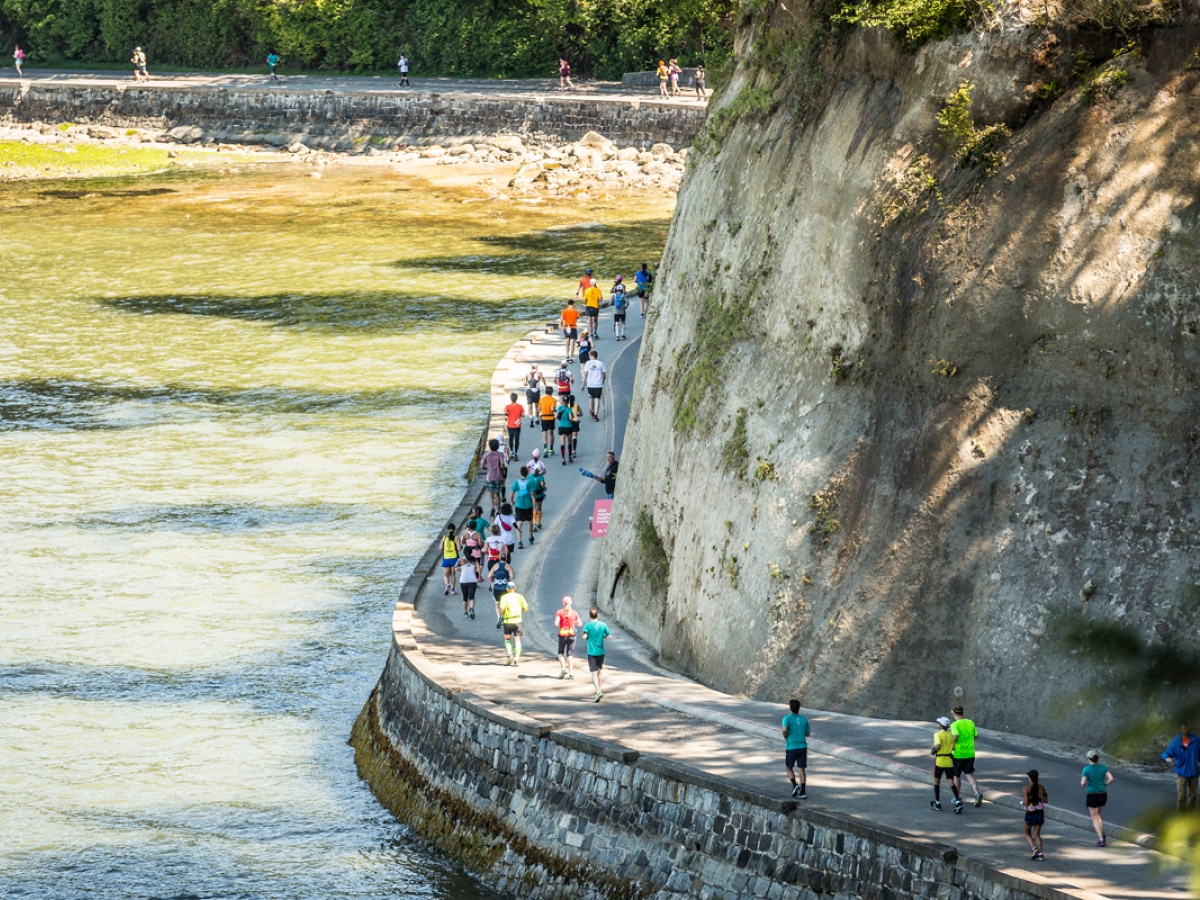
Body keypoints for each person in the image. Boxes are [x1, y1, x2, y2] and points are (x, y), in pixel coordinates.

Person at [950, 706, 984, 807]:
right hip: (970, 753)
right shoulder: (970, 722)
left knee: (956, 775)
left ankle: (957, 796)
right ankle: (976, 792)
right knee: (969, 774)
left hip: (958, 754)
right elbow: (976, 736)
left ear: (955, 714)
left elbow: (955, 736)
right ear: (962, 713)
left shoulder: (954, 724)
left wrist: (950, 745)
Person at [1162, 723, 1199, 812]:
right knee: (1181, 797)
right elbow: (1166, 753)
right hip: (1182, 773)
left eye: (1187, 728)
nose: (1186, 730)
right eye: (1184, 729)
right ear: (1180, 730)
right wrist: (1167, 758)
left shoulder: (1196, 740)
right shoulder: (1176, 742)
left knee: (1193, 796)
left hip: (1194, 772)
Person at [1081, 750, 1113, 847]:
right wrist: (1105, 784)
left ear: (1089, 758)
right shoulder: (1104, 767)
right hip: (1103, 793)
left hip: (1092, 794)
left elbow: (1082, 783)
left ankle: (1101, 838)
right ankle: (1101, 834)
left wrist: (1084, 784)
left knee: (1095, 817)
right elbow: (1111, 778)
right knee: (1097, 815)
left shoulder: (1086, 769)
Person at [930, 716, 962, 813]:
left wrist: (933, 750)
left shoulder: (937, 734)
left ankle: (938, 803)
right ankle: (957, 801)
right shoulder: (951, 735)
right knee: (951, 781)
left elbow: (938, 745)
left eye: (939, 723)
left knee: (937, 781)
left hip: (940, 761)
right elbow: (953, 748)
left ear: (941, 725)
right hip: (949, 761)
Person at [580, 607, 611, 702]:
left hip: (592, 652)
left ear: (590, 616)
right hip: (601, 652)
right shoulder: (603, 625)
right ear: (598, 615)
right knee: (600, 671)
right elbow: (609, 636)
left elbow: (584, 636)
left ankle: (597, 691)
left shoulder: (587, 626)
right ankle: (600, 689)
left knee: (593, 673)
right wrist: (603, 637)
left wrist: (587, 636)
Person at [781, 699, 811, 798]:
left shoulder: (787, 718)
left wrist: (786, 736)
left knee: (788, 767)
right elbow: (808, 734)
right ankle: (803, 791)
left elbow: (784, 729)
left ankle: (794, 784)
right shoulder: (804, 719)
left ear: (790, 708)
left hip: (791, 746)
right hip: (802, 746)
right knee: (801, 769)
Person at [497, 583, 528, 666]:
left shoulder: (504, 597)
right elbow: (525, 608)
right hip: (518, 620)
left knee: (507, 639)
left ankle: (510, 654)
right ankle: (517, 658)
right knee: (517, 639)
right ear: (515, 588)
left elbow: (502, 609)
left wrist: (501, 612)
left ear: (507, 589)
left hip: (508, 621)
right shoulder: (520, 596)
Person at [1022, 770, 1047, 861]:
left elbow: (1025, 802)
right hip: (1040, 813)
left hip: (1030, 813)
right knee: (1037, 834)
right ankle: (1040, 854)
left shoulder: (1026, 788)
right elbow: (1045, 799)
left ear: (1030, 778)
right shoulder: (1041, 788)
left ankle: (1034, 848)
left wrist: (1021, 803)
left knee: (1027, 832)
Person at [555, 595, 582, 679]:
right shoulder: (574, 613)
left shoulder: (559, 612)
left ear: (563, 603)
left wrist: (560, 624)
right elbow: (580, 624)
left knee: (560, 653)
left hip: (563, 635)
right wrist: (575, 622)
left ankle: (563, 668)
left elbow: (556, 623)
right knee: (569, 654)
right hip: (572, 635)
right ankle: (571, 673)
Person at [480, 438, 506, 518]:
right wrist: (503, 470)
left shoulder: (486, 455)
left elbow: (482, 466)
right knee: (497, 494)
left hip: (490, 476)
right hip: (498, 476)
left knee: (491, 494)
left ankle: (492, 508)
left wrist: (487, 469)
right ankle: (498, 510)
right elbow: (502, 464)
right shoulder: (500, 454)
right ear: (498, 446)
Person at [510, 465, 535, 549]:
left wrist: (512, 501)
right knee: (529, 522)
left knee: (519, 523)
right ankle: (531, 537)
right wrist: (534, 506)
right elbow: (532, 495)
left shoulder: (516, 482)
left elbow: (512, 494)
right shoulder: (530, 482)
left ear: (520, 473)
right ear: (527, 473)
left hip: (519, 505)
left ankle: (520, 541)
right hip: (528, 505)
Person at [582, 350, 606, 420]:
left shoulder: (588, 363)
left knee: (591, 398)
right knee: (597, 399)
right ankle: (596, 414)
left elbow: (585, 374)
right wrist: (603, 381)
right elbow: (604, 374)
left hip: (590, 384)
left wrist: (583, 385)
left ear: (591, 356)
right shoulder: (601, 363)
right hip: (598, 384)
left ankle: (591, 410)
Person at [457, 552, 480, 619]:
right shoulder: (474, 560)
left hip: (463, 581)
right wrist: (473, 569)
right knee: (471, 597)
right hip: (472, 580)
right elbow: (478, 570)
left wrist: (461, 569)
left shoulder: (461, 560)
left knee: (465, 597)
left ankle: (465, 612)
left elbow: (456, 569)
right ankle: (472, 608)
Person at [556, 393, 576, 463]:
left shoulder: (559, 408)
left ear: (563, 401)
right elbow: (571, 418)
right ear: (568, 401)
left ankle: (563, 458)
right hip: (568, 426)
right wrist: (573, 417)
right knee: (569, 442)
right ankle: (569, 457)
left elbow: (556, 416)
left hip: (561, 426)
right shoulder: (569, 409)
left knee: (562, 443)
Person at [439, 523, 459, 596]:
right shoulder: (456, 537)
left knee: (446, 575)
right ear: (454, 530)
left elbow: (440, 548)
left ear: (447, 529)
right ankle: (453, 590)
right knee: (453, 574)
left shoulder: (444, 537)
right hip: (454, 558)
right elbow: (459, 548)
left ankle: (447, 585)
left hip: (446, 558)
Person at [537, 389, 558, 456]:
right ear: (552, 392)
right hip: (551, 418)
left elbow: (539, 410)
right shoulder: (553, 400)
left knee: (544, 434)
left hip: (543, 418)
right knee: (551, 433)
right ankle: (551, 449)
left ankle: (545, 448)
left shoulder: (541, 399)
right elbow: (552, 409)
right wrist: (555, 410)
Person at [528, 462, 547, 533]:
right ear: (539, 470)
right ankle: (539, 522)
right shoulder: (541, 477)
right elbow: (542, 484)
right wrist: (545, 488)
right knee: (539, 508)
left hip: (532, 494)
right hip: (539, 495)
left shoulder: (530, 477)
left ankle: (534, 522)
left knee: (534, 508)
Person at [611, 275, 628, 340]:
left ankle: (617, 336)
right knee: (623, 322)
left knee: (617, 323)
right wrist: (625, 306)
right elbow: (627, 301)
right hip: (622, 310)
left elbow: (610, 303)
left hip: (616, 310)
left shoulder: (614, 294)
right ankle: (623, 335)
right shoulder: (623, 287)